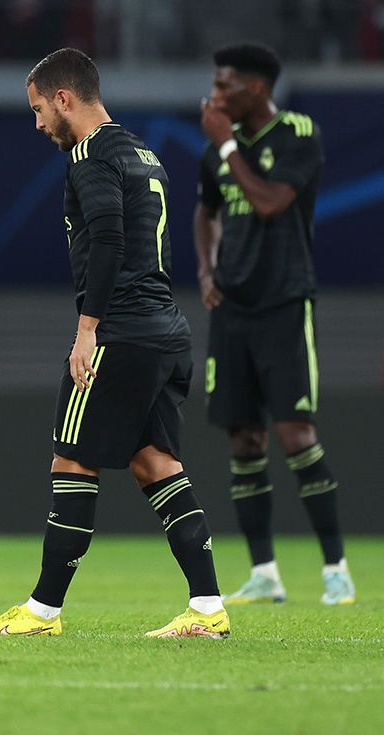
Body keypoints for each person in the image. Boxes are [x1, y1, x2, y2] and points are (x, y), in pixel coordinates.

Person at [0, 48, 228, 638]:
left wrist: (88, 329)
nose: (37, 124)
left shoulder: (89, 157)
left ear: (65, 98)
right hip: (165, 328)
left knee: (72, 458)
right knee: (156, 463)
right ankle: (208, 610)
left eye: (38, 109)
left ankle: (42, 612)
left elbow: (108, 239)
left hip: (122, 331)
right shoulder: (143, 151)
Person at [195, 42, 355, 606]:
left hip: (284, 302)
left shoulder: (297, 133)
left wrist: (227, 143)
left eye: (224, 87)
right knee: (243, 439)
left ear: (257, 89)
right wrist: (206, 267)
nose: (213, 98)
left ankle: (335, 567)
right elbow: (206, 209)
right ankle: (265, 572)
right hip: (231, 310)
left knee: (295, 435)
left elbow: (268, 203)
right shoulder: (218, 151)